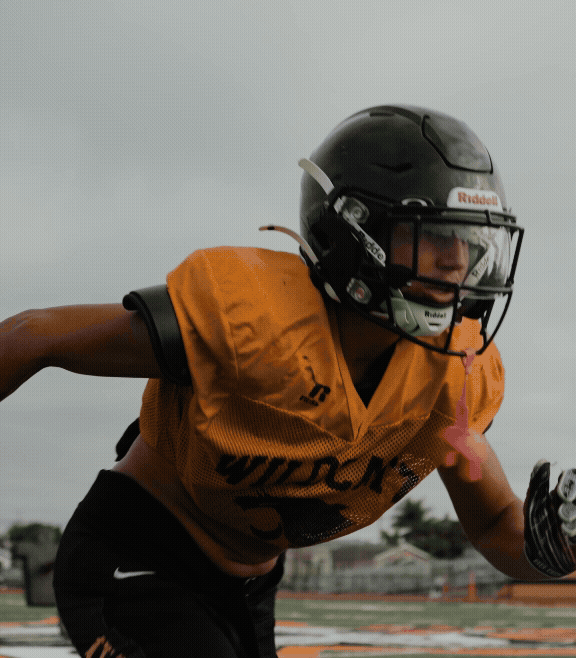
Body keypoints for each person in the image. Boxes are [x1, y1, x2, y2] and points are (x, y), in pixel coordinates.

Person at [1, 105, 575, 658]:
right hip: (139, 553)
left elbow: (495, 523)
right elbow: (36, 335)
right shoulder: (255, 321)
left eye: (470, 241)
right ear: (355, 229)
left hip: (250, 587)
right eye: (435, 235)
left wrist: (555, 547)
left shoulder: (455, 376)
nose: (457, 263)